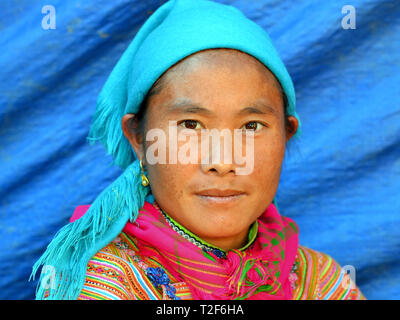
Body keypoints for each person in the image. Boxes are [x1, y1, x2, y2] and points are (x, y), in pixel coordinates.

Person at [31, 0, 365, 300]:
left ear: (286, 135)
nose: (222, 162)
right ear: (138, 138)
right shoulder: (102, 283)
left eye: (251, 126)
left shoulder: (320, 281)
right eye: (190, 124)